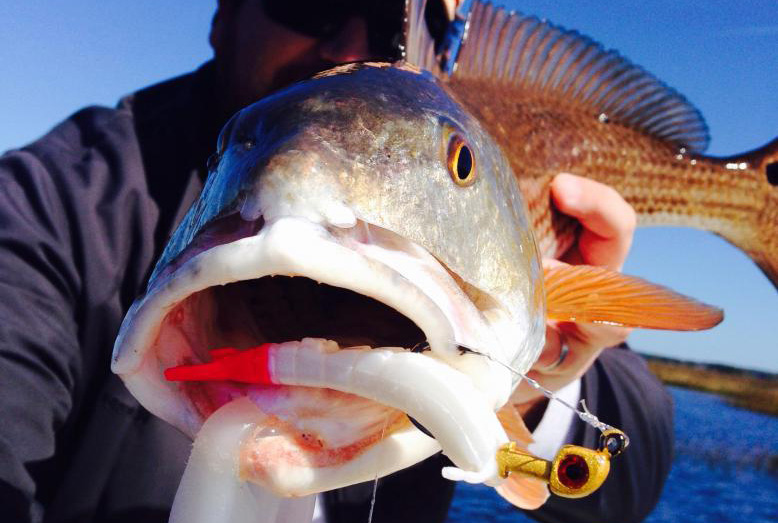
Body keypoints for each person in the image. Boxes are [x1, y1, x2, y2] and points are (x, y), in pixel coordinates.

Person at [0, 1, 673, 522]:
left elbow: (633, 479)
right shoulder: (54, 200)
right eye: (309, 0)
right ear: (226, 15)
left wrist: (528, 368)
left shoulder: (459, 162)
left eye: (393, 22)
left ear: (440, 54)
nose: (347, 47)